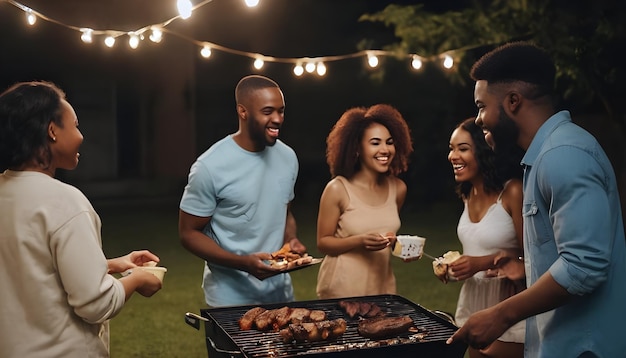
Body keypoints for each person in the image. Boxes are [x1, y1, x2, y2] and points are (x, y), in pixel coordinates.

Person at [447, 41, 626, 357]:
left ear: (513, 101)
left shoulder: (563, 155)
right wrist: (523, 267)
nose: (477, 119)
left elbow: (584, 266)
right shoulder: (544, 156)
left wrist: (501, 313)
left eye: (481, 106)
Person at [0, 81, 163, 358]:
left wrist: (110, 265)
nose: (81, 136)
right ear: (52, 130)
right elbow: (95, 304)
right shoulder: (64, 202)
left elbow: (30, 267)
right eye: (74, 125)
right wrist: (137, 280)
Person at [178, 75, 306, 308]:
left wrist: (291, 240)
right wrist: (242, 262)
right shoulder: (210, 166)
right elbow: (188, 233)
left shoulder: (288, 157)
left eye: (281, 111)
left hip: (281, 293)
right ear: (243, 111)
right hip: (230, 298)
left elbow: (284, 213)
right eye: (268, 111)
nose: (277, 119)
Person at [445, 117, 525, 358]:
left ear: (483, 151)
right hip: (473, 304)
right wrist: (454, 268)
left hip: (510, 305)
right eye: (451, 148)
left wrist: (481, 263)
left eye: (463, 149)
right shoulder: (467, 194)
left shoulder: (512, 192)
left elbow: (533, 256)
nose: (453, 156)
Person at [316, 104, 413, 299]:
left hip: (382, 289)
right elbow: (323, 243)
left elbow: (387, 231)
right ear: (358, 148)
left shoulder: (398, 189)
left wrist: (398, 245)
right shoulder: (337, 189)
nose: (385, 149)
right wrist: (360, 241)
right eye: (375, 143)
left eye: (389, 142)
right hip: (341, 291)